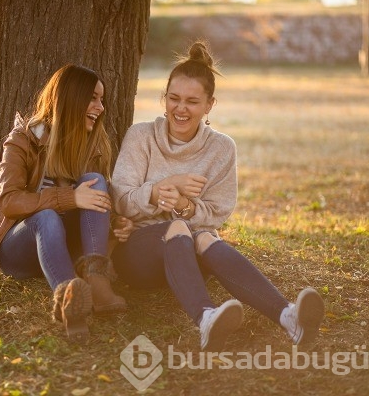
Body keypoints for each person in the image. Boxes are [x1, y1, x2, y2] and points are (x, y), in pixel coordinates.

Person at [110, 41, 325, 352]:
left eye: (192, 101)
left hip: (190, 256)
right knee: (182, 229)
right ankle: (206, 319)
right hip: (139, 256)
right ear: (164, 98)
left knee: (207, 237)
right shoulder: (141, 137)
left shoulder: (222, 148)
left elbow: (217, 213)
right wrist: (160, 189)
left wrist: (183, 204)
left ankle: (288, 317)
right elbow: (120, 199)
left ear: (209, 105)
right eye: (173, 99)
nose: (180, 109)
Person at [0, 64, 126, 343]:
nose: (100, 107)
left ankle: (96, 279)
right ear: (72, 98)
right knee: (46, 217)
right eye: (93, 98)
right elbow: (9, 201)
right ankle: (69, 300)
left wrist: (117, 222)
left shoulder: (94, 145)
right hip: (18, 249)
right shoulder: (24, 139)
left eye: (101, 99)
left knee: (94, 179)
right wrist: (69, 197)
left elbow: (94, 204)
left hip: (65, 248)